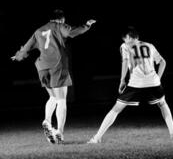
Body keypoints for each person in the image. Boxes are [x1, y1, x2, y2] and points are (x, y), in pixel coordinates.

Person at [11, 9, 96, 144]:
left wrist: (18, 56)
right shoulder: (60, 26)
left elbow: (27, 47)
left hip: (42, 67)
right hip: (57, 65)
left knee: (53, 97)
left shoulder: (39, 30)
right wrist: (87, 25)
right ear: (61, 19)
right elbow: (72, 32)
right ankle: (60, 133)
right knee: (62, 100)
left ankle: (47, 121)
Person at [88, 26, 173, 143]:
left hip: (136, 84)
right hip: (153, 83)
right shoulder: (150, 45)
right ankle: (172, 133)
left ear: (127, 37)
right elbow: (163, 62)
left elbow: (125, 61)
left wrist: (122, 80)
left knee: (116, 109)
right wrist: (158, 78)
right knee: (163, 105)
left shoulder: (125, 46)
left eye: (125, 38)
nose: (124, 41)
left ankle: (97, 137)